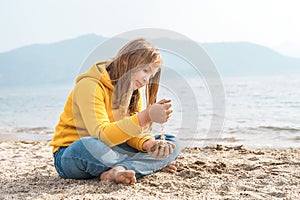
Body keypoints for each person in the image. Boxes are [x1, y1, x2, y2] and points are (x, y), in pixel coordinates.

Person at [50, 38, 181, 185]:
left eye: (151, 76)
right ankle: (145, 166)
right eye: (145, 70)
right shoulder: (90, 85)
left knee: (171, 143)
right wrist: (146, 116)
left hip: (113, 150)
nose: (146, 80)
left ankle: (118, 170)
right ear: (125, 61)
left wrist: (148, 144)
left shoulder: (133, 91)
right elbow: (102, 135)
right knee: (88, 146)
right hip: (72, 153)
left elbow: (130, 133)